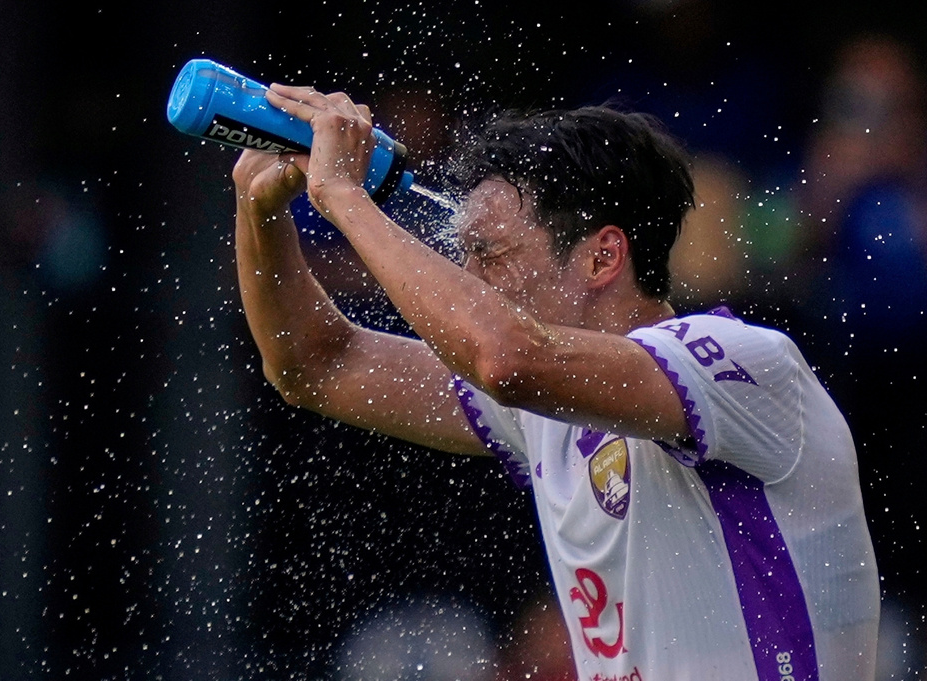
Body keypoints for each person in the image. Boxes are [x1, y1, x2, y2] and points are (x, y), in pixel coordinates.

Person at [230, 83, 881, 680]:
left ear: (602, 257)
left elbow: (505, 358)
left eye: (489, 253)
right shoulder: (546, 403)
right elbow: (318, 364)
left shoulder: (743, 362)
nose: (467, 282)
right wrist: (260, 209)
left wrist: (343, 196)